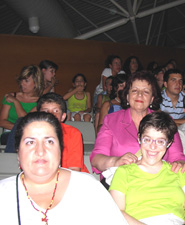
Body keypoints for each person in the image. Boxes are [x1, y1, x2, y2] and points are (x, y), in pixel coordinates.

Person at [0, 112, 128, 224]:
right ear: (18, 152)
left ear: (60, 149)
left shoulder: (87, 187)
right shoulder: (4, 193)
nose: (40, 151)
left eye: (49, 141)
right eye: (30, 142)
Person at [90, 71, 185, 185]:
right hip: (121, 183)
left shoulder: (165, 122)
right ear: (127, 96)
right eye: (135, 90)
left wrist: (178, 164)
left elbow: (178, 157)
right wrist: (116, 161)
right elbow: (96, 159)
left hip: (157, 183)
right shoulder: (111, 120)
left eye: (146, 92)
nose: (140, 95)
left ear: (152, 99)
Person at [109, 112, 185, 225]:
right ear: (139, 138)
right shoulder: (124, 172)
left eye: (160, 141)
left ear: (169, 143)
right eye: (147, 139)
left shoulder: (179, 171)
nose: (153, 147)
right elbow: (117, 212)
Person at [5, 93, 90, 173]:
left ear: (63, 117)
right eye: (45, 111)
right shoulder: (29, 133)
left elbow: (74, 170)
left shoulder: (72, 133)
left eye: (56, 111)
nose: (51, 114)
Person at [0, 65, 44, 145]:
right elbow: (2, 121)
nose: (22, 84)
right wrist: (18, 129)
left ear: (36, 83)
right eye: (21, 80)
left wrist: (16, 102)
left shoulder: (41, 102)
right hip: (9, 133)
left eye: (26, 81)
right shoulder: (10, 96)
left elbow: (24, 120)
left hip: (31, 135)